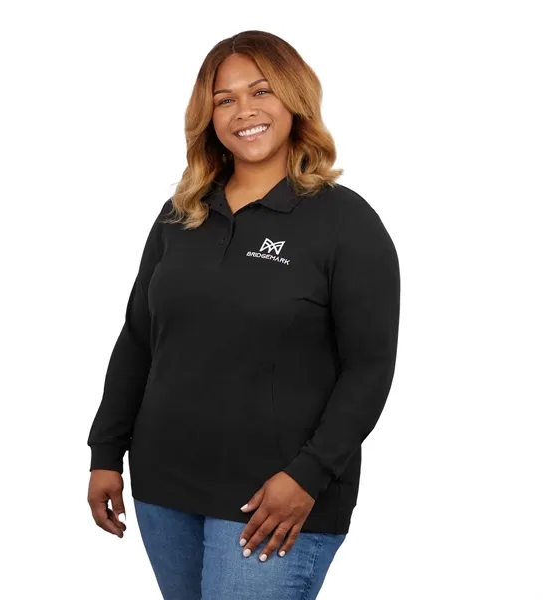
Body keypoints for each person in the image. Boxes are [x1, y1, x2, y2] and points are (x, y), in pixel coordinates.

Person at [86, 29, 400, 600]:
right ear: (208, 117)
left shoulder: (345, 223)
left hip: (274, 499)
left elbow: (369, 368)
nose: (243, 111)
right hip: (165, 489)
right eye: (224, 99)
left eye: (261, 91)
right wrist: (106, 451)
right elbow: (138, 339)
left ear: (294, 99)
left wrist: (308, 476)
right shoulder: (180, 215)